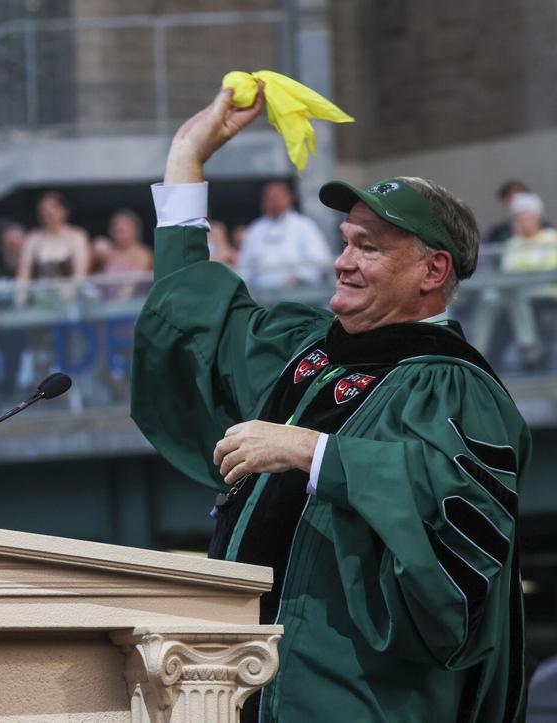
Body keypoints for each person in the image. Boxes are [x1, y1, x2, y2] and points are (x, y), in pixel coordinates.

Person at [131, 85, 529, 722]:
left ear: (432, 271)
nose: (343, 262)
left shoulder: (455, 389)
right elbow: (198, 324)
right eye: (345, 241)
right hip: (236, 688)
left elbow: (446, 514)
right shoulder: (307, 353)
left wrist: (308, 450)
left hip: (356, 698)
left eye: (368, 248)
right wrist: (188, 156)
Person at [473, 192, 557, 368]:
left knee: (512, 291)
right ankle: (478, 351)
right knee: (489, 296)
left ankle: (529, 345)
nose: (519, 222)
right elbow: (507, 274)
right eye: (516, 218)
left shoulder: (551, 238)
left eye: (523, 217)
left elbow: (548, 268)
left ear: (536, 217)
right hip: (517, 291)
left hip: (546, 290)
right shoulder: (512, 243)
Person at [237, 180, 334, 290]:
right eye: (269, 198)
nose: (273, 202)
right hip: (262, 297)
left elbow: (320, 262)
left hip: (301, 294)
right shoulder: (254, 230)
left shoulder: (305, 226)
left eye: (277, 197)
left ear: (288, 198)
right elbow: (244, 268)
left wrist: (299, 278)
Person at [16, 191, 90, 305]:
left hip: (71, 298)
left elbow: (80, 274)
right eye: (44, 209)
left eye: (54, 207)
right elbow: (23, 276)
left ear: (64, 211)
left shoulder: (77, 236)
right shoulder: (32, 238)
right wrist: (20, 302)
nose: (49, 212)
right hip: (41, 297)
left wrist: (70, 295)